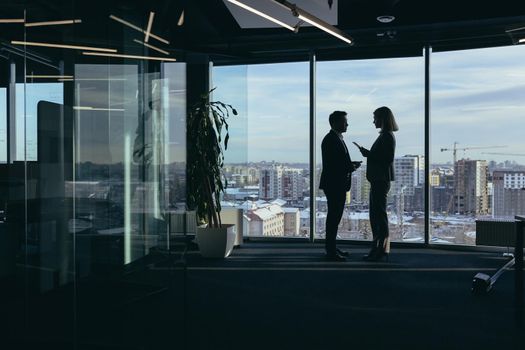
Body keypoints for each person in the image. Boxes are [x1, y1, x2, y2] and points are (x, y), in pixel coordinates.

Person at [356, 106, 398, 262]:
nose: (373, 121)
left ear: (382, 119)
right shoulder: (385, 136)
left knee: (378, 216)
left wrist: (369, 154)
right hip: (379, 180)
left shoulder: (386, 136)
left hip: (380, 180)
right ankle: (380, 249)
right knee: (378, 215)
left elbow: (387, 159)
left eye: (375, 117)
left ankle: (379, 250)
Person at [319, 111, 360, 262]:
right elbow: (335, 165)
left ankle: (332, 248)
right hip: (335, 184)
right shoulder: (331, 139)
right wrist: (351, 167)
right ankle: (330, 251)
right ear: (335, 123)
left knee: (334, 218)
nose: (347, 124)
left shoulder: (335, 138)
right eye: (344, 121)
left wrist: (350, 165)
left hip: (335, 184)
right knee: (333, 218)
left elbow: (336, 163)